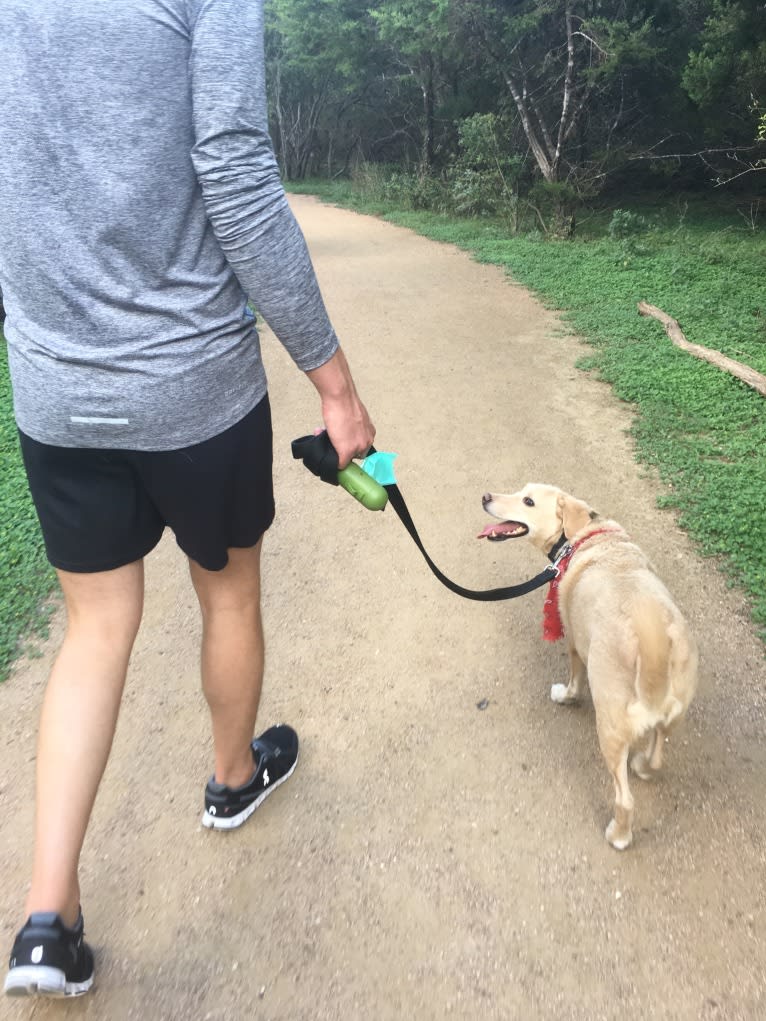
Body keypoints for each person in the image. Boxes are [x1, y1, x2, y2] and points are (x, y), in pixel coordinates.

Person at [0, 0, 375, 999]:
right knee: (228, 592)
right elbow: (238, 178)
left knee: (94, 627)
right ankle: (232, 779)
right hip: (195, 385)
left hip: (56, 387)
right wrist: (332, 383)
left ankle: (47, 920)